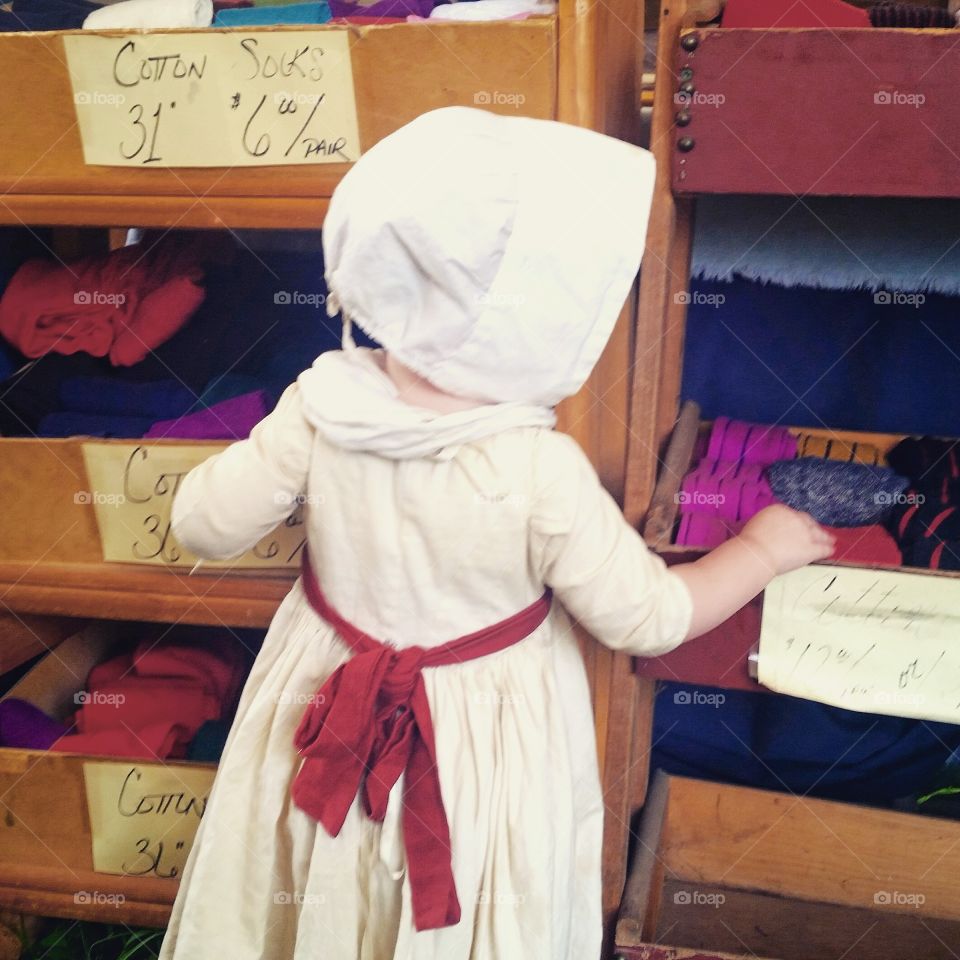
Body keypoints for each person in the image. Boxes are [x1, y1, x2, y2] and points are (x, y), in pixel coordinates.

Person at [158, 107, 833, 960]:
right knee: (471, 890)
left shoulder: (321, 405)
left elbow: (202, 525)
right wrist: (762, 549)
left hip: (322, 702)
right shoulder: (537, 471)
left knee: (319, 874)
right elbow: (649, 619)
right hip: (483, 743)